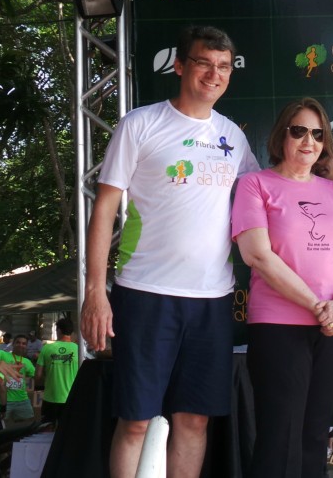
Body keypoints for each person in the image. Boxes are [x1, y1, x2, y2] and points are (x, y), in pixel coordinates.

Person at [81, 25, 260, 478]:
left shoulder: (233, 138)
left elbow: (262, 203)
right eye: (203, 62)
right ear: (180, 65)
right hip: (144, 293)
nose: (214, 74)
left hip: (212, 299)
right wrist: (95, 292)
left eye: (223, 66)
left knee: (194, 419)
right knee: (137, 421)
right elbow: (104, 208)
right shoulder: (139, 123)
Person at [232, 97, 333, 477]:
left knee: (314, 432)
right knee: (279, 435)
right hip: (278, 328)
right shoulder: (254, 184)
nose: (309, 141)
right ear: (282, 135)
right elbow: (257, 255)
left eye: (318, 133)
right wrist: (316, 304)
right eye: (299, 131)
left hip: (332, 327)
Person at [36, 317, 79, 423]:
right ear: (71, 332)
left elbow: (38, 375)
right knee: (68, 432)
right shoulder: (79, 349)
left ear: (58, 330)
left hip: (50, 398)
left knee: (46, 431)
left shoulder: (46, 348)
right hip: (72, 399)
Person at [0, 335, 36, 428]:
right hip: (4, 400)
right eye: (18, 342)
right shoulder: (3, 355)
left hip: (22, 399)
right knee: (0, 427)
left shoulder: (27, 362)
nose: (21, 345)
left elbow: (36, 376)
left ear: (26, 346)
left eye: (24, 343)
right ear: (13, 344)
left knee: (26, 428)